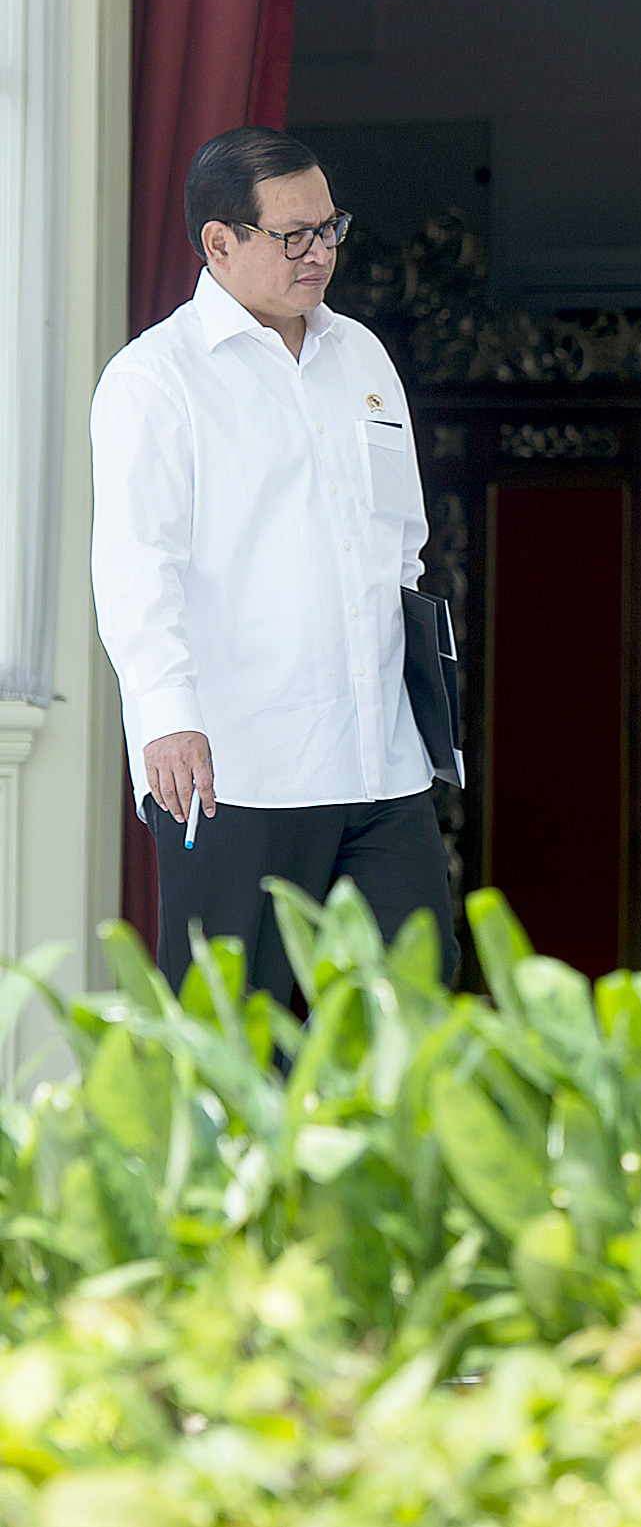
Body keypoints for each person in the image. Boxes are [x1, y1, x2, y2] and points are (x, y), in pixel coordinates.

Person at [93, 126, 457, 999]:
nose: (319, 252)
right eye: (293, 235)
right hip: (236, 769)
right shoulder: (156, 378)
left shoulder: (361, 355)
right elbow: (138, 567)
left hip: (381, 762)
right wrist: (168, 718)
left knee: (412, 1011)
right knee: (239, 1038)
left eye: (329, 228)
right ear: (219, 243)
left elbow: (401, 541)